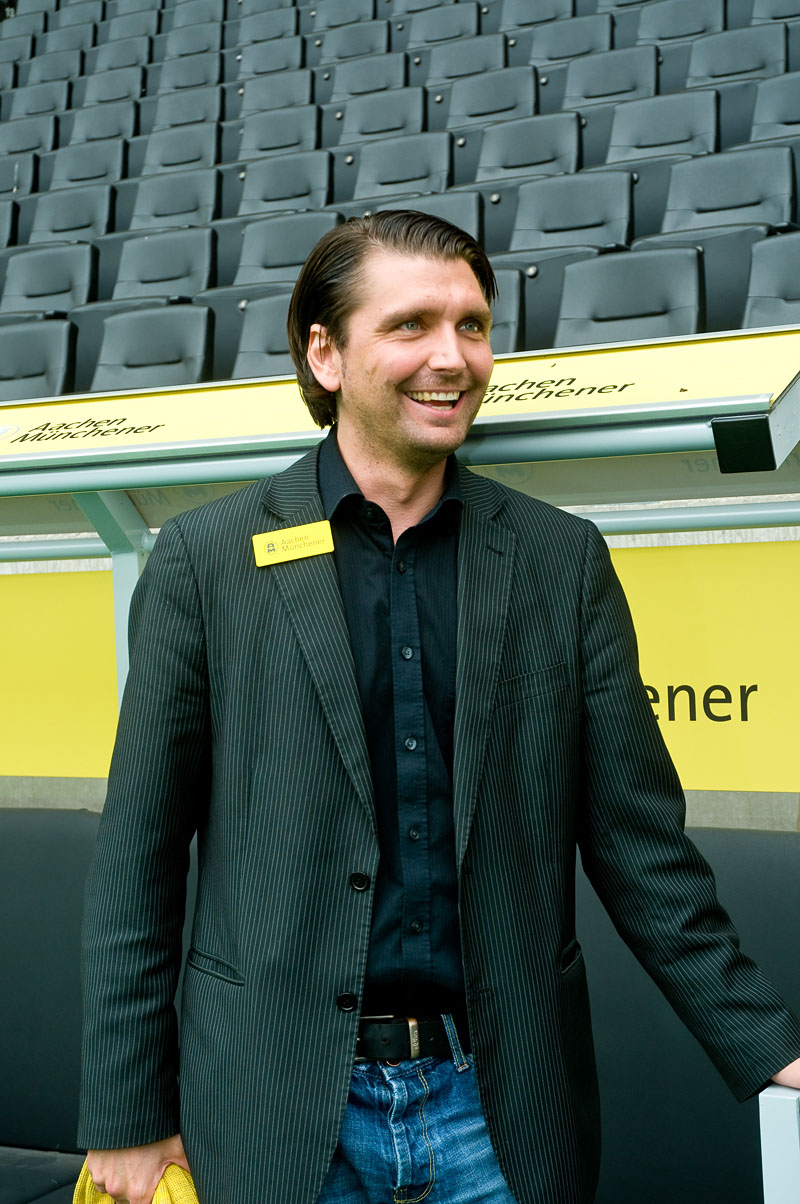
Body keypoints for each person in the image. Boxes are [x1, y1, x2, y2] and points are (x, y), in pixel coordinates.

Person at [79, 211, 800, 1204]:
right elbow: (139, 863)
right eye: (410, 324)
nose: (452, 357)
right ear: (325, 354)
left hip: (496, 1110)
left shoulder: (559, 561)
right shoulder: (205, 564)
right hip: (275, 1104)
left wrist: (771, 1046)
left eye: (472, 325)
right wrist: (126, 1115)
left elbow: (641, 849)